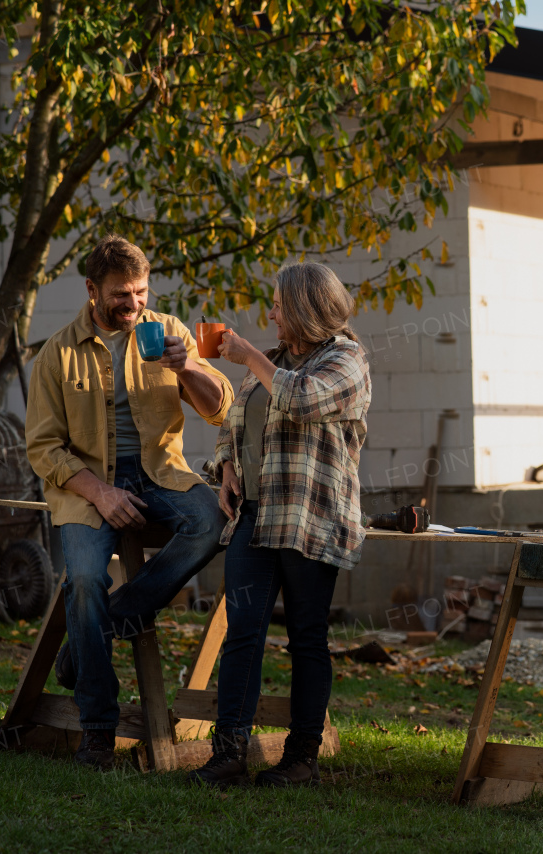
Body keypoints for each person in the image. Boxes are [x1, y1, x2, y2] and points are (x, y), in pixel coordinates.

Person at [26, 235, 232, 770]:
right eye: (121, 294)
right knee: (86, 581)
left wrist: (187, 368)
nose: (134, 304)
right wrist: (100, 492)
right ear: (92, 290)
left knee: (209, 522)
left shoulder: (169, 334)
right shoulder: (58, 352)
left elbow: (220, 409)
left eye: (141, 292)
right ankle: (97, 731)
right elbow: (43, 447)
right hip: (88, 486)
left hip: (159, 473)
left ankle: (97, 633)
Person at [189, 262, 370, 789]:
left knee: (306, 638)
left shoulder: (346, 360)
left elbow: (302, 400)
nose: (270, 313)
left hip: (311, 517)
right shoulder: (271, 360)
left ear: (306, 309)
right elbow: (236, 421)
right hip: (255, 516)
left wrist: (246, 355)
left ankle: (300, 759)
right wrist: (225, 466)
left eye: (278, 305)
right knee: (242, 634)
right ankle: (228, 754)